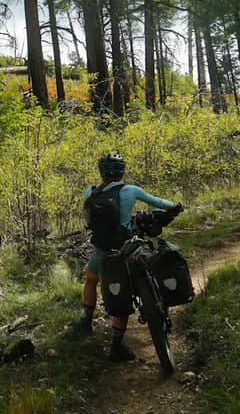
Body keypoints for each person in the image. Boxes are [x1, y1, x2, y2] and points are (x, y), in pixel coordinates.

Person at [70, 153, 182, 362]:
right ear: (122, 170)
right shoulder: (130, 190)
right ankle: (116, 344)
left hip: (103, 250)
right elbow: (157, 202)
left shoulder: (90, 192)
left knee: (92, 280)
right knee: (126, 284)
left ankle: (86, 322)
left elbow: (88, 221)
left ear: (101, 171)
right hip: (129, 247)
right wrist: (176, 206)